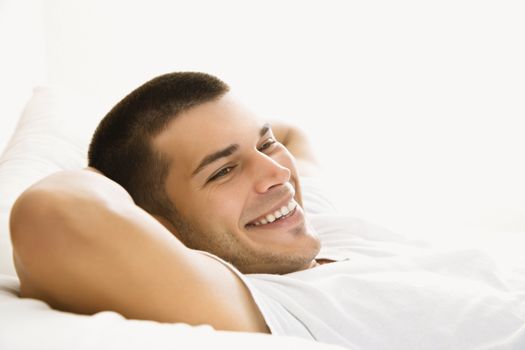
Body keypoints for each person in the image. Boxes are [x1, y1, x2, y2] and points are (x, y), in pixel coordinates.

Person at [9, 72, 525, 349]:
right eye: (223, 171)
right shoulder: (255, 302)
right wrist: (118, 174)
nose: (276, 174)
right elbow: (55, 217)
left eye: (263, 144)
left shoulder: (311, 220)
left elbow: (294, 135)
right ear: (156, 225)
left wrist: (241, 148)